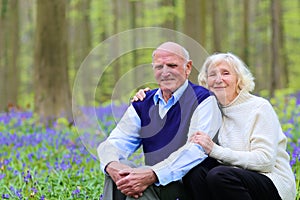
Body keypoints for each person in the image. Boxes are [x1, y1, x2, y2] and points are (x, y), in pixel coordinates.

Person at [135, 52, 296, 200]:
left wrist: (215, 150)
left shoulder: (259, 107)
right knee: (195, 171)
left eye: (226, 73)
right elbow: (172, 108)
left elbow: (265, 161)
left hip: (272, 183)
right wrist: (146, 99)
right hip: (230, 182)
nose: (218, 79)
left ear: (238, 79)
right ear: (206, 82)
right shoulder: (208, 109)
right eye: (212, 74)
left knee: (219, 175)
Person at [97, 42, 222, 200]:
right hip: (153, 181)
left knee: (140, 184)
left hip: (186, 187)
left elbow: (196, 150)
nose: (165, 72)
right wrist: (112, 166)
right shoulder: (143, 102)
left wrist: (153, 174)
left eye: (172, 65)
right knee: (122, 174)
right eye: (159, 67)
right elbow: (114, 142)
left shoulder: (203, 99)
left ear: (188, 67)